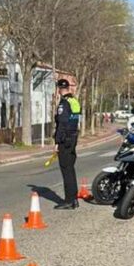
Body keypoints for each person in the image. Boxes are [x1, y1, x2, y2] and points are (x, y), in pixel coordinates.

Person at [54, 79, 81, 210]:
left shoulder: (64, 104)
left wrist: (57, 142)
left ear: (59, 89)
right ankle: (74, 198)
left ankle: (69, 200)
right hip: (73, 137)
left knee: (66, 169)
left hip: (65, 140)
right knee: (71, 168)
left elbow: (62, 124)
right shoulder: (74, 101)